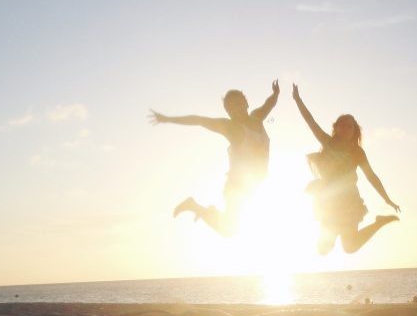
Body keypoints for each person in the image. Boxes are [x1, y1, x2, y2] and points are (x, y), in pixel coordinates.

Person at [149, 80, 280, 237]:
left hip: (254, 185)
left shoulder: (257, 118)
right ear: (228, 112)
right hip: (236, 186)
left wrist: (275, 94)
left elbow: (269, 104)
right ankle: (194, 206)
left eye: (238, 104)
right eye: (231, 108)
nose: (236, 110)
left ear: (246, 103)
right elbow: (198, 120)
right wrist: (168, 119)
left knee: (237, 227)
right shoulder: (232, 128)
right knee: (229, 231)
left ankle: (208, 212)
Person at [292, 84, 400, 254]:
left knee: (350, 247)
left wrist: (387, 199)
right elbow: (310, 121)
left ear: (354, 131)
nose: (345, 129)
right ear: (336, 128)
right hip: (328, 199)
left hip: (349, 200)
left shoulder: (357, 152)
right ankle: (374, 223)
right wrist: (298, 100)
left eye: (349, 126)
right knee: (323, 249)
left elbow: (371, 176)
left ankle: (379, 223)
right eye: (342, 125)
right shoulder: (327, 142)